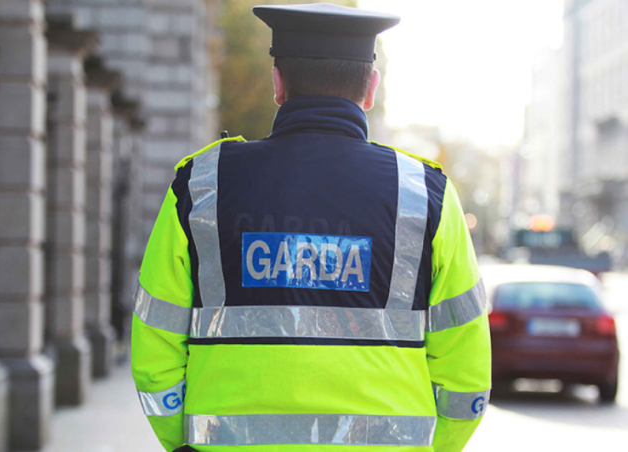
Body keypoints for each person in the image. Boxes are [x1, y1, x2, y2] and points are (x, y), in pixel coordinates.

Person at [131, 3, 491, 452]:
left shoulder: (202, 185)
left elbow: (155, 350)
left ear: (278, 84)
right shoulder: (426, 194)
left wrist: (183, 442)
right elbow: (466, 371)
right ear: (371, 89)